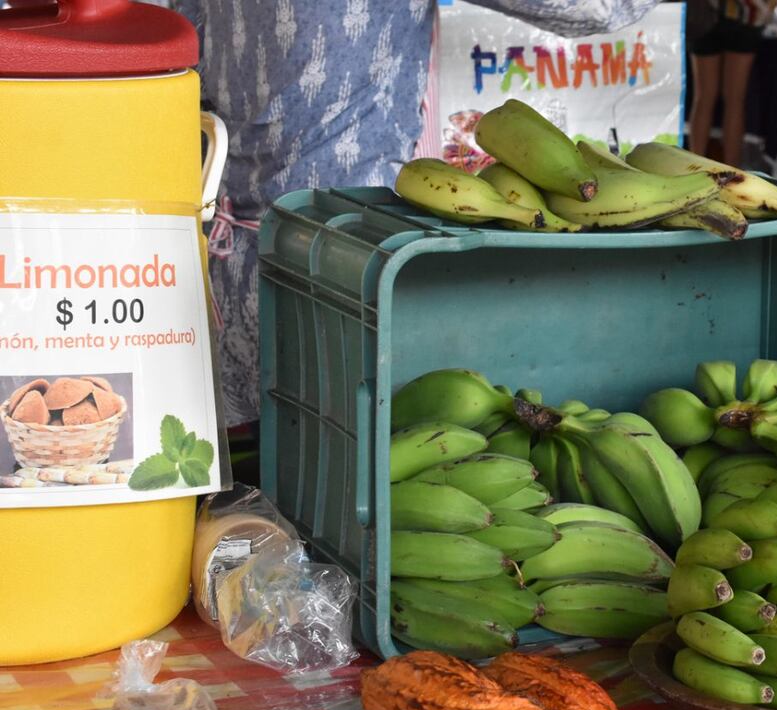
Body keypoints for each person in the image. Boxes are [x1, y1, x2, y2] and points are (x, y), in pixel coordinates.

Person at [167, 0, 662, 427]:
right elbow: (592, 8)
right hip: (344, 260)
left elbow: (185, 48)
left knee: (263, 466)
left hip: (233, 258)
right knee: (337, 461)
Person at [687, 0, 770, 166]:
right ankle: (732, 172)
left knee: (703, 98)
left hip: (707, 13)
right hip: (744, 15)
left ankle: (694, 169)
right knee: (734, 101)